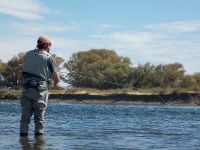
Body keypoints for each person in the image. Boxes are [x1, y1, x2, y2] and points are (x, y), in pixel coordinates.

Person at [20, 35, 60, 136]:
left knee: (25, 118)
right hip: (40, 91)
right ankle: (39, 143)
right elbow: (56, 78)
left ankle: (23, 142)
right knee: (39, 119)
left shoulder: (28, 54)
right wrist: (54, 85)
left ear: (37, 44)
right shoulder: (49, 58)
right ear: (47, 45)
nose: (50, 46)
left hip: (26, 89)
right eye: (50, 44)